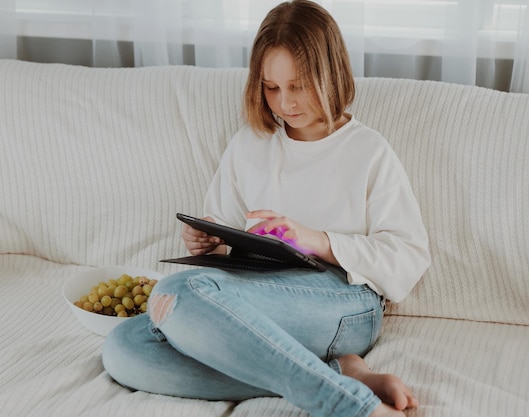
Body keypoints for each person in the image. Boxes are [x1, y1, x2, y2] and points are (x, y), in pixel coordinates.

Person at [102, 1, 430, 416]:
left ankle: (347, 405)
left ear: (330, 74)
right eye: (272, 88)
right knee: (124, 346)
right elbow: (222, 236)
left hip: (343, 301)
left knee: (176, 293)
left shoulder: (368, 150)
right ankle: (337, 374)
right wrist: (210, 239)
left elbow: (409, 254)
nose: (285, 103)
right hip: (256, 291)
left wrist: (314, 240)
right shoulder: (249, 144)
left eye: (298, 85)